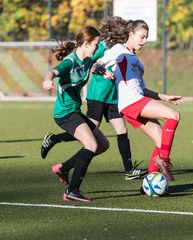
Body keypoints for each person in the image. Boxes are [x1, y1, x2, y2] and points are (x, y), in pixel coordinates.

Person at [41, 17, 147, 181]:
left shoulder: (122, 49)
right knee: (90, 140)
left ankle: (128, 169)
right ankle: (60, 154)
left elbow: (96, 65)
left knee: (114, 136)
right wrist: (48, 80)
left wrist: (105, 72)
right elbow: (66, 68)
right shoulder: (98, 48)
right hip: (95, 96)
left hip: (111, 96)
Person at [98, 19, 182, 187]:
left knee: (161, 141)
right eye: (141, 37)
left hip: (135, 102)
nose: (144, 41)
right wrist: (104, 72)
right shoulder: (119, 50)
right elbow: (97, 65)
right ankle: (163, 160)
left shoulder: (134, 58)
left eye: (146, 38)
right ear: (131, 34)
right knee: (173, 115)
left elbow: (142, 89)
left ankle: (148, 184)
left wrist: (164, 97)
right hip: (132, 102)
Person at [42, 26, 110, 202]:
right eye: (95, 44)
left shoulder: (90, 56)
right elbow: (53, 72)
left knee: (103, 144)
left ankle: (64, 168)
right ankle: (72, 190)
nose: (97, 47)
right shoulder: (70, 62)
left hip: (75, 112)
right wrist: (47, 80)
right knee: (91, 145)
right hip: (64, 114)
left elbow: (104, 49)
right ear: (86, 44)